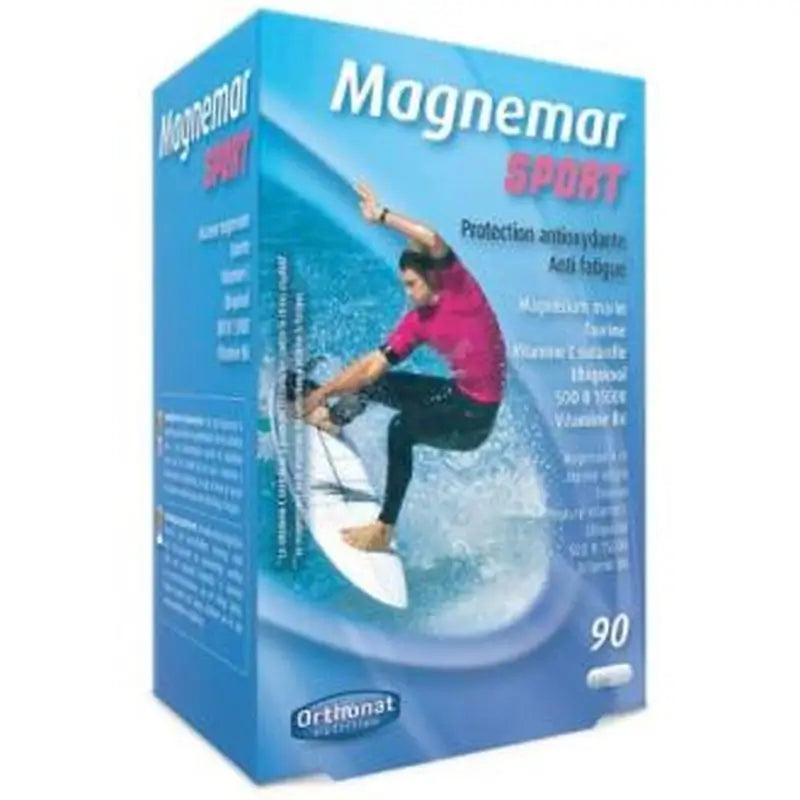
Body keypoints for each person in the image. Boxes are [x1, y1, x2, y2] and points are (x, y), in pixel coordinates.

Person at [295, 181, 506, 552]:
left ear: (433, 277)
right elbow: (371, 367)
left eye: (411, 284)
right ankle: (333, 419)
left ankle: (383, 529)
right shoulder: (417, 322)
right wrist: (324, 393)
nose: (407, 292)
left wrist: (382, 216)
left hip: (476, 418)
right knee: (375, 383)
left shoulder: (461, 291)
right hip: (457, 395)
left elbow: (431, 238)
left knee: (401, 429)